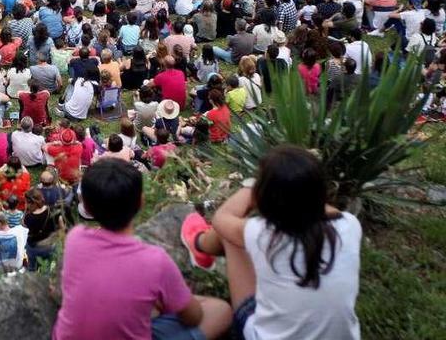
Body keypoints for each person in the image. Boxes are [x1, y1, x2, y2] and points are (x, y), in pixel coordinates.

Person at [181, 145, 361, 340]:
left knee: (230, 235)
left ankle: (198, 244)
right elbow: (315, 207)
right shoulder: (350, 225)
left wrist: (251, 189)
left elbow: (221, 218)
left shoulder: (264, 233)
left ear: (265, 196)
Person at [53, 158, 231, 340]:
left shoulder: (75, 239)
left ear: (87, 207)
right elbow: (194, 317)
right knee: (221, 310)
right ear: (141, 201)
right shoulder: (156, 261)